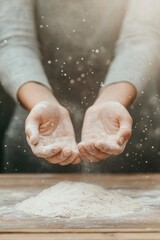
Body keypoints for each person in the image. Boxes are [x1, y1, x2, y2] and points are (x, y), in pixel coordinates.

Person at [0, 0, 160, 172]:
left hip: (122, 126)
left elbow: (141, 38)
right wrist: (42, 102)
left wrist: (111, 100)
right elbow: (14, 41)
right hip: (43, 129)